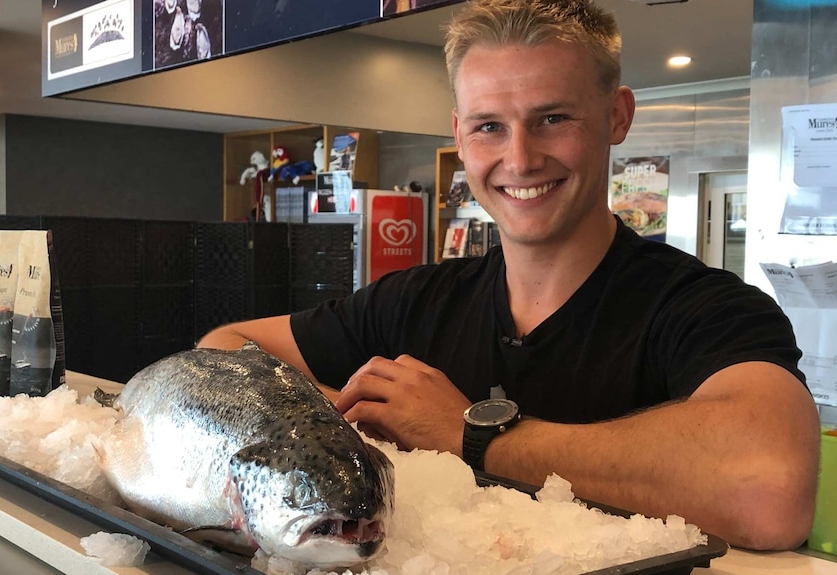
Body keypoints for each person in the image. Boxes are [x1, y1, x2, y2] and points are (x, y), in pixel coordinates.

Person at [198, 0, 820, 551]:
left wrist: (470, 436)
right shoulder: (414, 302)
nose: (519, 158)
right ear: (460, 137)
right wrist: (328, 431)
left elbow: (769, 489)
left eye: (553, 118)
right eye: (489, 125)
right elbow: (221, 349)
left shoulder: (703, 309)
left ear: (617, 117)